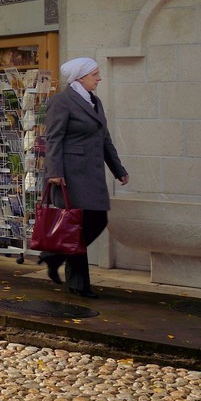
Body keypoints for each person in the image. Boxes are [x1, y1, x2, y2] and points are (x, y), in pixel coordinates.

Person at [41, 57, 130, 298]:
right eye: (95, 74)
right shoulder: (61, 102)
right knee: (78, 226)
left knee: (96, 221)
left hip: (92, 173)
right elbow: (53, 138)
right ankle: (78, 284)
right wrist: (55, 172)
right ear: (80, 77)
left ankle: (55, 257)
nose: (99, 78)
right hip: (69, 174)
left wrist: (118, 169)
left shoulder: (94, 101)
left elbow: (105, 139)